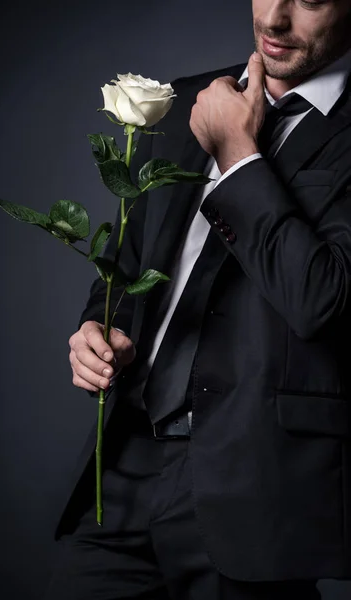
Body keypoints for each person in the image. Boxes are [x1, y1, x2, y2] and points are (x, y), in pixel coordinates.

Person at [44, 0, 351, 598]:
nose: (275, 19)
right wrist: (98, 331)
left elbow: (324, 299)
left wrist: (237, 153)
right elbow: (130, 269)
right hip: (125, 467)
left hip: (258, 489)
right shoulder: (187, 100)